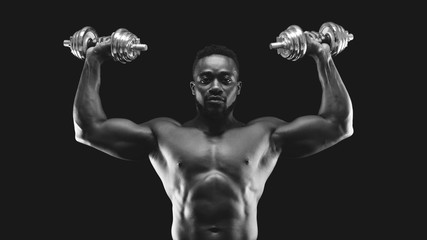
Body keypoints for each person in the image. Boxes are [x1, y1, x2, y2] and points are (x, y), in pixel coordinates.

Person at [72, 34, 353, 240]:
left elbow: (338, 125)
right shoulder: (165, 134)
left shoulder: (264, 134)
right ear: (193, 88)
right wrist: (93, 59)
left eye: (225, 79)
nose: (215, 86)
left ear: (238, 88)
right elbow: (89, 129)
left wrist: (322, 56)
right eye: (206, 79)